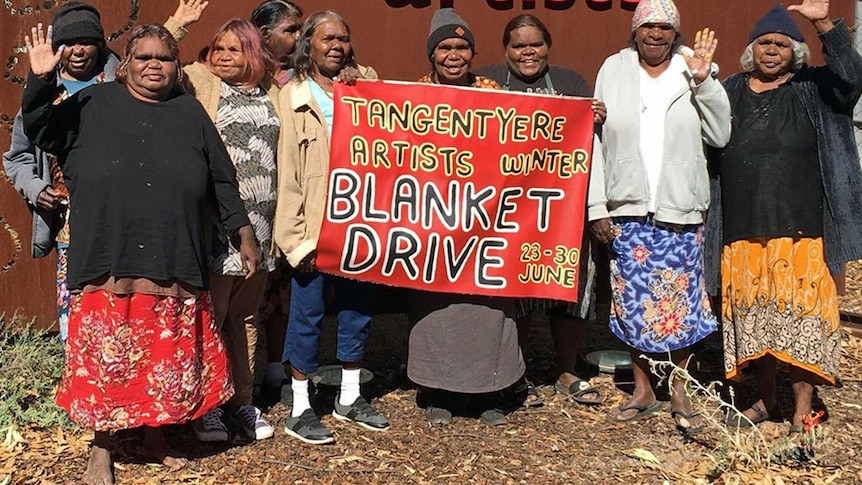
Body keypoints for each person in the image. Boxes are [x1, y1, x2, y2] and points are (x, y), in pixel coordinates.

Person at [22, 22, 257, 484]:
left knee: (164, 357)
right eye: (145, 57)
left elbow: (221, 177)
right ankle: (102, 447)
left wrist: (242, 230)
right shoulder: (93, 102)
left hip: (173, 250)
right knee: (108, 356)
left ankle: (156, 437)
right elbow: (41, 128)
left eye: (164, 58)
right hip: (110, 251)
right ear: (126, 64)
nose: (155, 65)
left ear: (176, 66)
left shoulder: (190, 112)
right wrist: (40, 80)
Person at [706, 0, 862, 433]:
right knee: (756, 323)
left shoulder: (813, 87)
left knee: (805, 320)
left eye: (781, 43)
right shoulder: (732, 88)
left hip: (801, 230)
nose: (771, 50)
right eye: (763, 43)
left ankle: (801, 409)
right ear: (750, 50)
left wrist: (825, 25)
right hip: (741, 228)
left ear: (795, 51)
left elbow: (852, 80)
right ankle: (761, 400)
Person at [588, 0, 730, 435]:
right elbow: (594, 140)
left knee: (682, 305)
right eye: (647, 26)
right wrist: (597, 206)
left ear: (675, 34)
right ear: (634, 31)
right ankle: (644, 390)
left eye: (664, 28)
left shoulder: (694, 67)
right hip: (627, 206)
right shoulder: (613, 68)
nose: (655, 34)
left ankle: (680, 390)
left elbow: (721, 133)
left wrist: (705, 82)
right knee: (633, 302)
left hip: (679, 207)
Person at [474, 13, 607, 408]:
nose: (527, 52)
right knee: (520, 290)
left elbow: (592, 142)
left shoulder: (571, 83)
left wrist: (595, 118)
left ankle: (566, 370)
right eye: (518, 45)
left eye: (535, 44)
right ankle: (519, 372)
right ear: (506, 50)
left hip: (564, 206)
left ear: (548, 47)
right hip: (511, 209)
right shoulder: (487, 82)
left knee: (570, 285)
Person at [164, 11, 281, 442]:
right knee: (208, 315)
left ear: (253, 53)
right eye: (219, 47)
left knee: (246, 317)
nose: (224, 56)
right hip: (217, 223)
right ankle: (207, 405)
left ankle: (242, 404)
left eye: (235, 48)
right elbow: (158, 60)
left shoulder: (274, 93)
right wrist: (178, 24)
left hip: (263, 223)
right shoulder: (200, 81)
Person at [407, 8, 525, 428]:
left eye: (460, 47)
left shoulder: (493, 91)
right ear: (431, 55)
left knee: (488, 306)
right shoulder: (411, 95)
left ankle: (494, 390)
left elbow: (534, 126)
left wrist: (586, 117)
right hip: (434, 221)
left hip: (486, 221)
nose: (453, 55)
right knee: (436, 306)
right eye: (444, 47)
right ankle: (436, 390)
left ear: (473, 53)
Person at [274, 10, 386, 445]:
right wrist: (294, 239)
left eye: (343, 38)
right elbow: (288, 173)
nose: (336, 46)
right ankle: (301, 406)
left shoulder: (363, 87)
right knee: (308, 314)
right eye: (327, 39)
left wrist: (363, 79)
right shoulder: (293, 95)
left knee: (358, 308)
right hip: (314, 226)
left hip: (362, 221)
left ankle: (350, 395)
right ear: (309, 44)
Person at [3, 1, 118, 344]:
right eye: (69, 43)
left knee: (119, 306)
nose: (78, 51)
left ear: (100, 44)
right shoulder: (43, 93)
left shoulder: (122, 83)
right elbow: (17, 157)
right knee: (75, 304)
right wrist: (36, 189)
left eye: (87, 41)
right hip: (69, 224)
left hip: (119, 217)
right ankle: (78, 381)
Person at [251, 0, 303, 86]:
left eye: (300, 30)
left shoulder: (304, 80)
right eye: (291, 30)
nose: (299, 36)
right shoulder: (243, 77)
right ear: (265, 34)